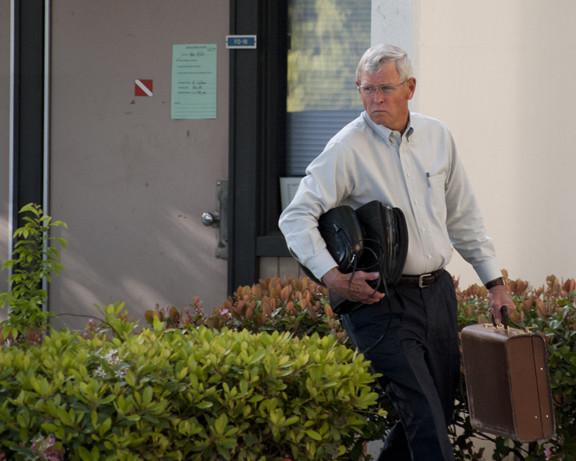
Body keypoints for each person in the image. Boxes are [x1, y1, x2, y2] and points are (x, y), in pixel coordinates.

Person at [278, 44, 515, 461]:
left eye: (385, 88)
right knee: (424, 416)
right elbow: (295, 217)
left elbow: (464, 216)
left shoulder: (438, 137)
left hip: (437, 296)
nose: (375, 99)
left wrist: (494, 282)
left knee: (433, 414)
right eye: (366, 89)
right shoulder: (345, 147)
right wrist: (333, 277)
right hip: (379, 302)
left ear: (410, 87)